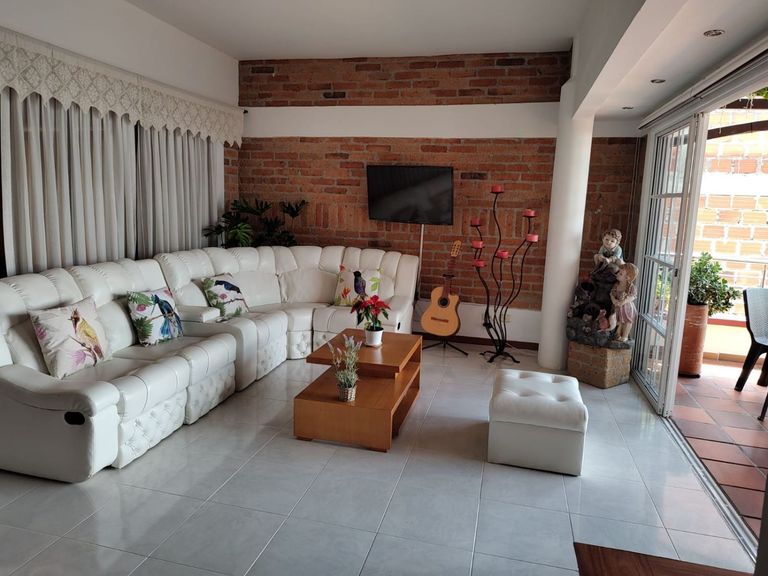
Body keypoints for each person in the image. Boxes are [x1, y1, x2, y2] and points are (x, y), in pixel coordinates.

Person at [610, 262, 638, 342]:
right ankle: (618, 334)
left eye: (621, 274)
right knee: (618, 321)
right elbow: (612, 294)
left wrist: (624, 301)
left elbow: (633, 296)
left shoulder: (631, 287)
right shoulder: (616, 285)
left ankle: (625, 335)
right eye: (619, 272)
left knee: (627, 322)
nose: (618, 274)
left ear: (627, 277)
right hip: (617, 307)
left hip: (627, 308)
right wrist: (614, 300)